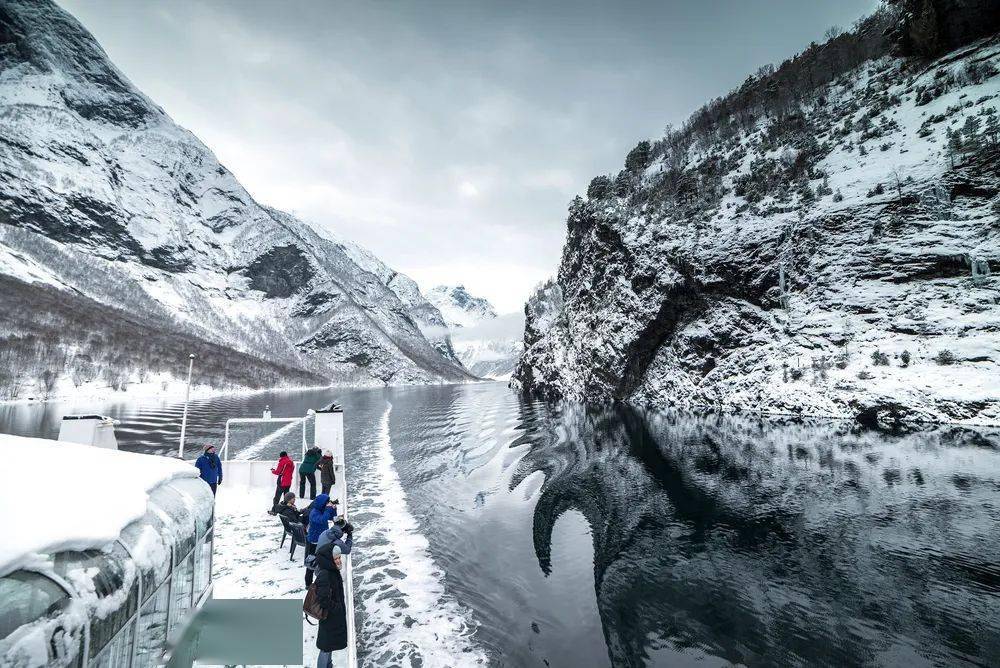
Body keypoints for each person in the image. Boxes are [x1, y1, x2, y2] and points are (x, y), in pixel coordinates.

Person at [314, 543, 348, 663]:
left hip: (332, 618)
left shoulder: (331, 571)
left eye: (339, 558)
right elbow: (323, 599)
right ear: (329, 559)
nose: (339, 561)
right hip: (329, 618)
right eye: (336, 558)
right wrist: (337, 608)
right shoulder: (326, 574)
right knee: (326, 648)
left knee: (328, 647)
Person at [305, 493, 338, 587]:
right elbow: (323, 520)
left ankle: (326, 580)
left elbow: (332, 518)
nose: (328, 503)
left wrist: (334, 509)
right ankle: (308, 583)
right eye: (326, 502)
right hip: (314, 541)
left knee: (325, 561)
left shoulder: (323, 510)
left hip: (323, 540)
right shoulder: (314, 513)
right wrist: (328, 509)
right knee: (312, 562)